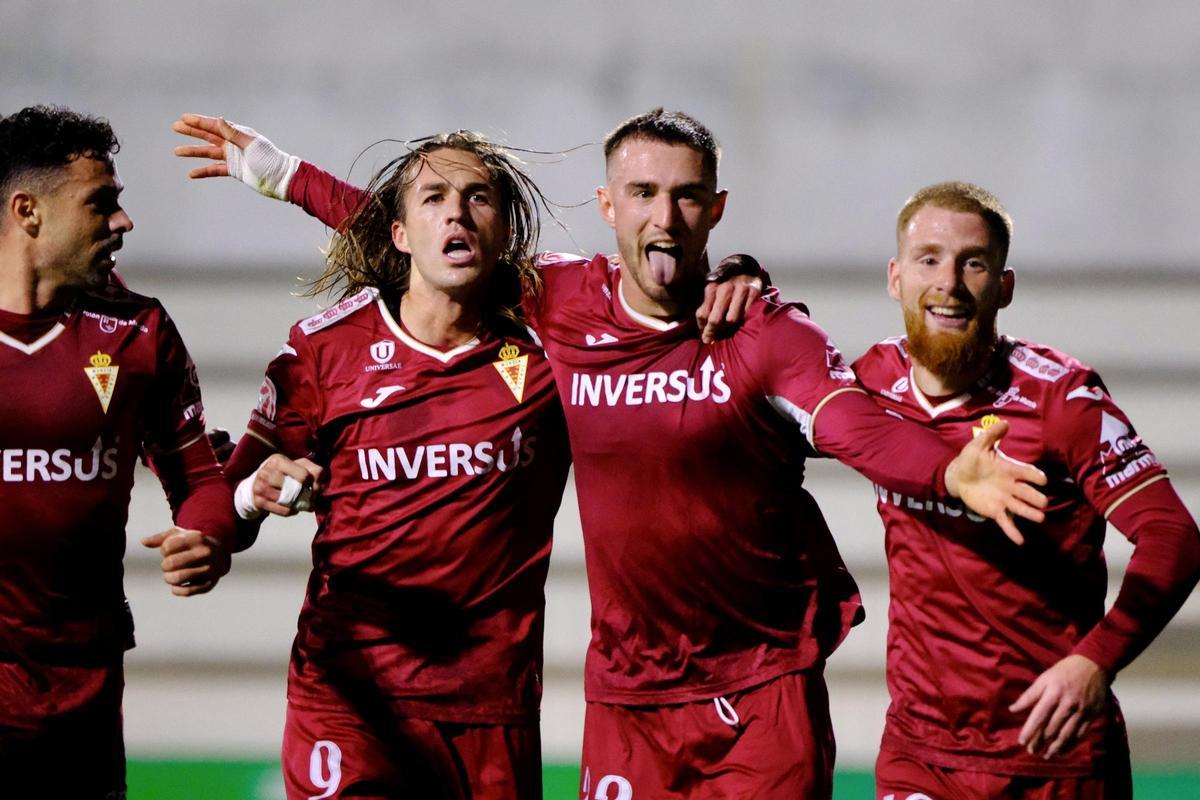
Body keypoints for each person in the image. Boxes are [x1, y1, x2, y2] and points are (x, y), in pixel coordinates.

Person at [175, 110, 1049, 799]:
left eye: (686, 197)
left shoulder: (759, 329)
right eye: (643, 193)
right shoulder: (557, 306)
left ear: (714, 209)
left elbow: (848, 420)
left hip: (759, 685)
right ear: (609, 207)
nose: (663, 216)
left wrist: (946, 467)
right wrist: (286, 176)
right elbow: (434, 240)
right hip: (625, 697)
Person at [852, 181, 1200, 799]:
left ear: (1004, 287)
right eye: (928, 259)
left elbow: (1172, 536)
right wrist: (739, 279)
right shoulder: (868, 384)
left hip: (1052, 755)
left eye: (974, 264)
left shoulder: (1061, 398)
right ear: (895, 278)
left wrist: (1096, 660)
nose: (949, 283)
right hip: (922, 753)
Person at [0, 105, 235, 799]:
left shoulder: (139, 331)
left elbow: (200, 480)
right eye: (100, 203)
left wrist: (209, 537)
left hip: (83, 688)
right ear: (27, 211)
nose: (124, 222)